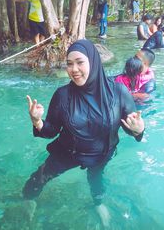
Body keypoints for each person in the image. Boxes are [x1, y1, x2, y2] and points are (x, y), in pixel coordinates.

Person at [24, 39, 145, 227]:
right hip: (67, 152)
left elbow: (132, 127)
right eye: (69, 64)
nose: (74, 69)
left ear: (93, 62)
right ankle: (27, 200)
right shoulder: (62, 95)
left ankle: (98, 204)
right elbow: (51, 130)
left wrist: (139, 130)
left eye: (80, 62)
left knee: (96, 179)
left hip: (102, 153)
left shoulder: (118, 92)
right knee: (41, 176)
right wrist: (37, 121)